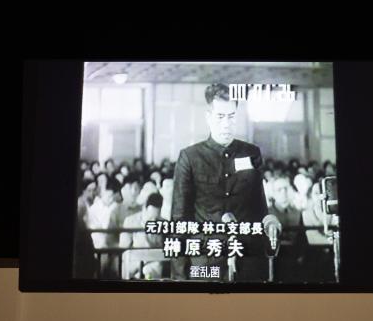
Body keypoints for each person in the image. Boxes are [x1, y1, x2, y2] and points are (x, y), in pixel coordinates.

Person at [170, 83, 281, 281]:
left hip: (247, 260)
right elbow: (179, 220)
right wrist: (180, 278)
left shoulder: (252, 153)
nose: (226, 124)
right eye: (220, 116)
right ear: (208, 116)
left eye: (231, 116)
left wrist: (269, 224)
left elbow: (260, 208)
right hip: (206, 262)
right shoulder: (190, 157)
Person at [119, 193, 166, 279]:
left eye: (155, 218)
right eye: (150, 217)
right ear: (145, 208)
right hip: (134, 261)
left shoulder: (163, 223)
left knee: (151, 272)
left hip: (153, 262)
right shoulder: (130, 221)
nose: (153, 221)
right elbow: (124, 248)